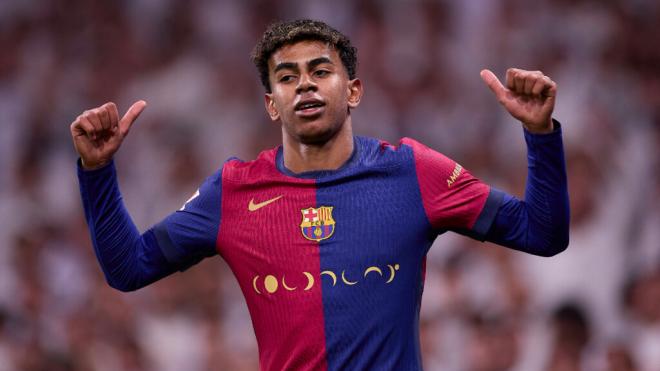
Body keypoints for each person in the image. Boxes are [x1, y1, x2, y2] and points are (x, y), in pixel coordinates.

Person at [71, 19, 569, 371]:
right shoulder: (234, 191)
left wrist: (541, 135)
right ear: (272, 103)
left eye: (320, 70)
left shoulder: (413, 171)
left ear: (353, 90)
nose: (304, 84)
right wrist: (97, 172)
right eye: (287, 77)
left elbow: (542, 234)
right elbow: (128, 268)